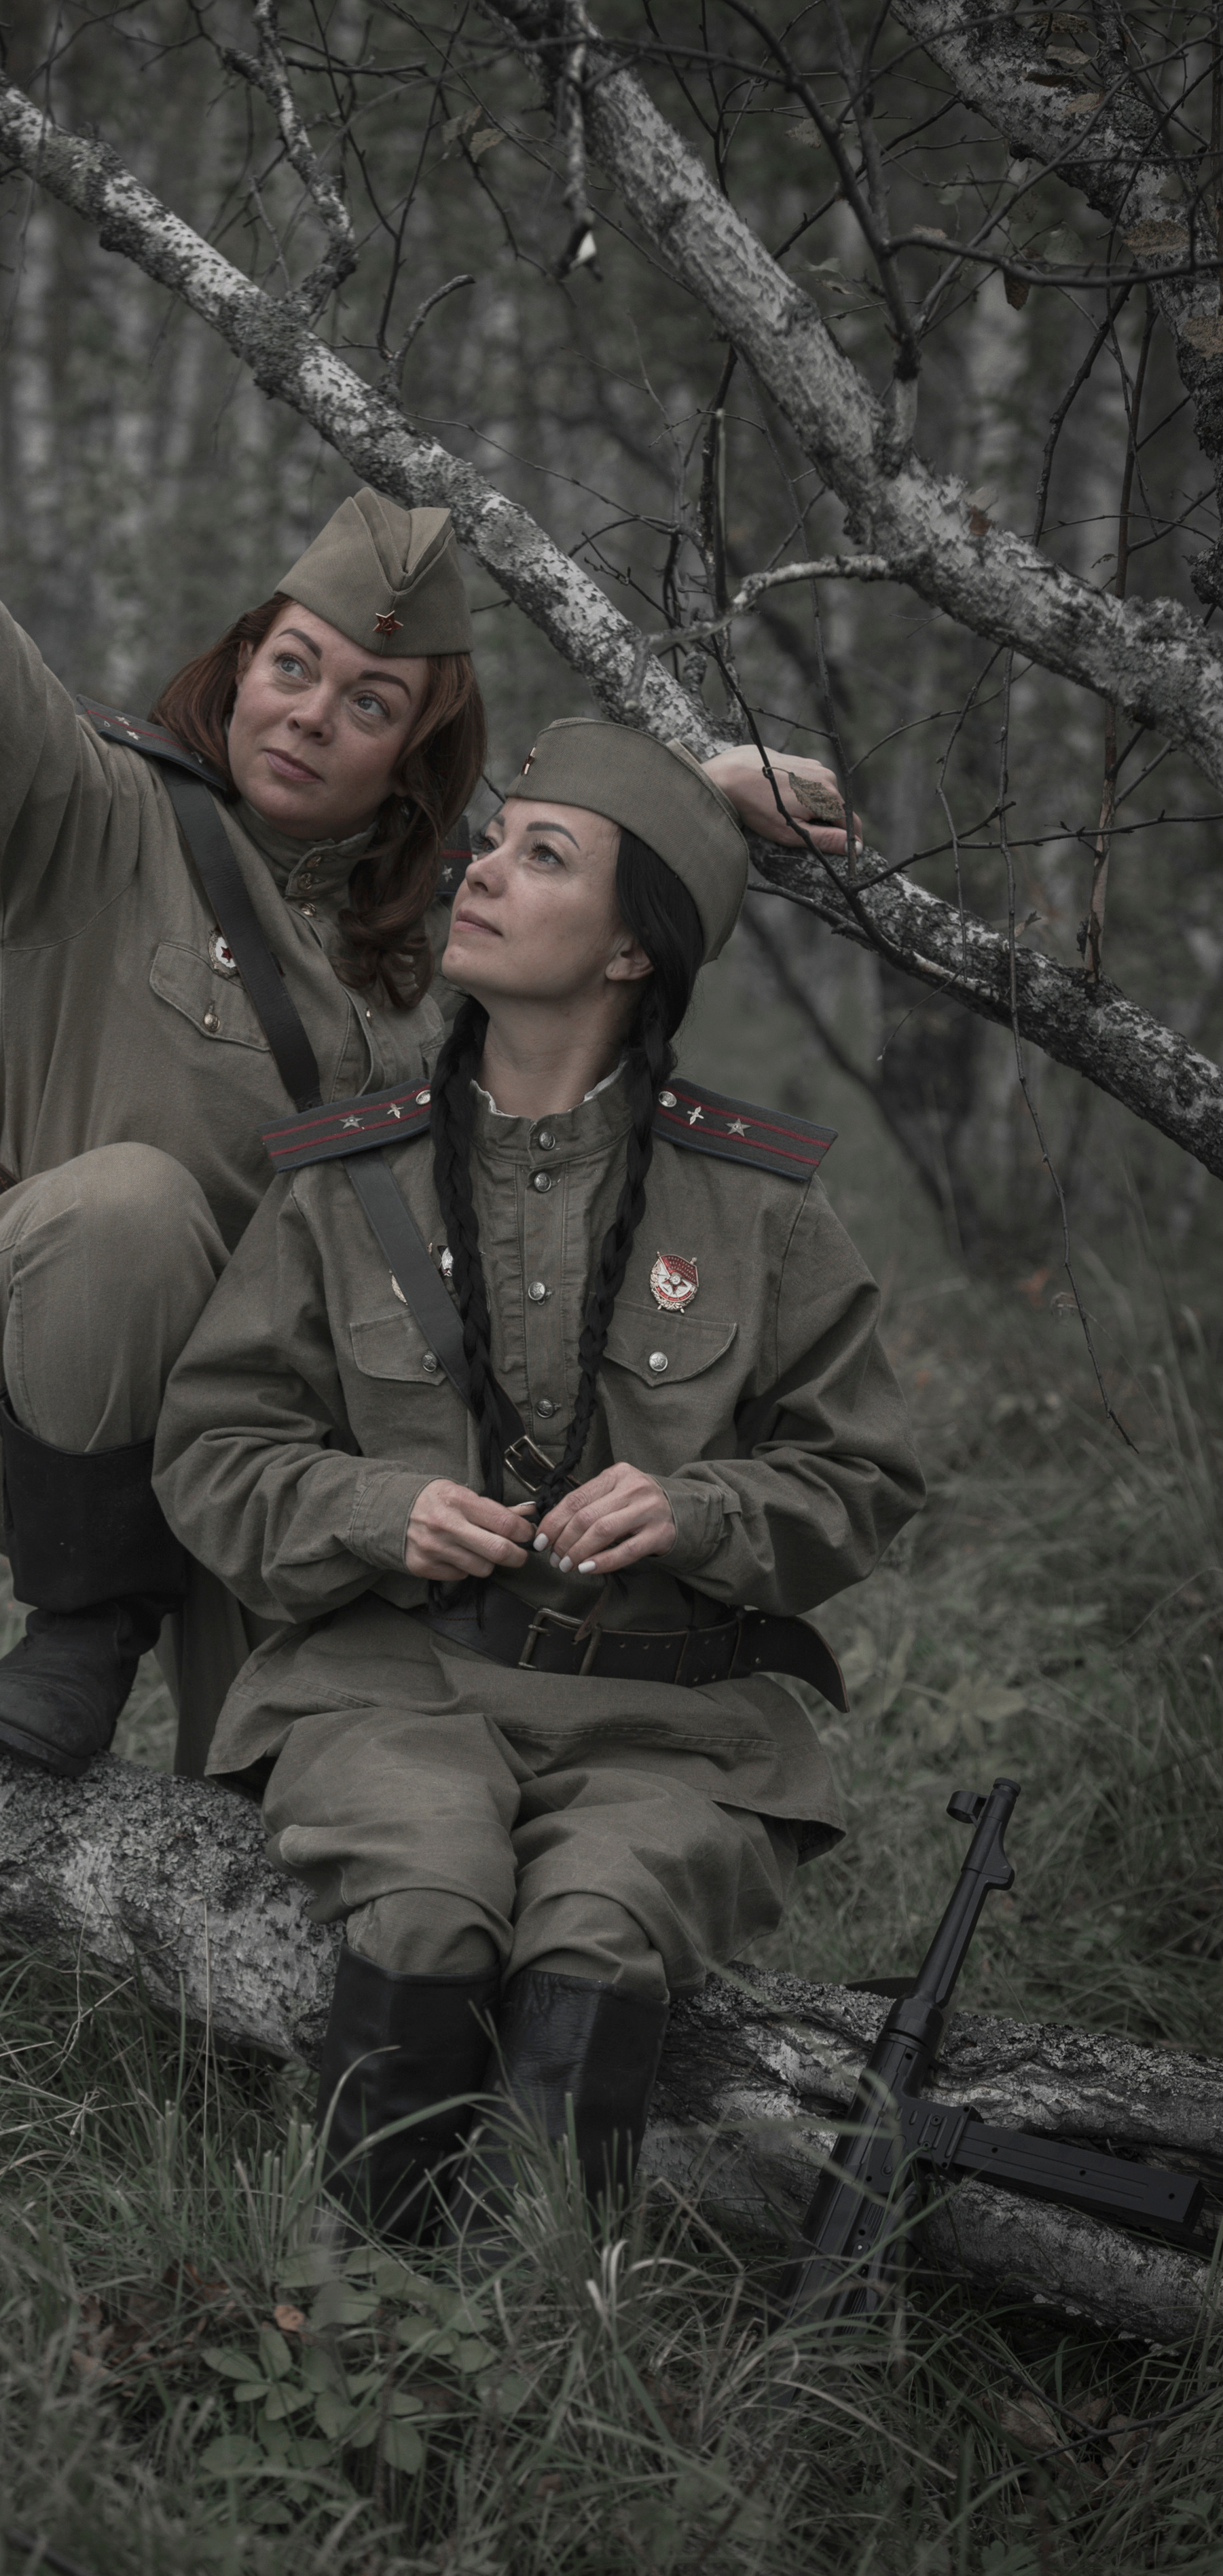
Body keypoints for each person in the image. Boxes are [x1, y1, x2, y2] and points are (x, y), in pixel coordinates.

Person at [0, 292, 860, 1786]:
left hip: (261, 1428)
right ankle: (84, 1630)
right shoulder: (87, 817)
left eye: (367, 703)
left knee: (287, 1796)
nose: (309, 716)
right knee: (136, 1207)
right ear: (241, 661)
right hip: (17, 1372)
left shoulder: (434, 941)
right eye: (292, 667)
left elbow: (561, 882)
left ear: (412, 755)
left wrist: (688, 784)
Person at [152, 718, 924, 2241]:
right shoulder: (348, 1176)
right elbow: (215, 1447)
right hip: (394, 1686)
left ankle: (546, 2346)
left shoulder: (756, 1198)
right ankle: (360, 2325)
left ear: (631, 954)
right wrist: (379, 1510)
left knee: (588, 1932)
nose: (483, 872)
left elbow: (862, 1474)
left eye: (540, 856)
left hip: (668, 1719)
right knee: (431, 1899)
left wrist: (699, 1509)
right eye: (491, 842)